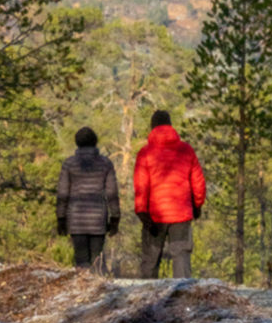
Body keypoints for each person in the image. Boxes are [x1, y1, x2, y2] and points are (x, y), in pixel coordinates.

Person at [133, 109, 206, 279]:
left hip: (154, 215)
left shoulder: (145, 153)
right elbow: (198, 182)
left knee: (150, 261)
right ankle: (182, 297)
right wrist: (197, 205)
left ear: (152, 127)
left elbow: (140, 186)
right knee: (181, 259)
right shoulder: (186, 150)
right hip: (181, 213)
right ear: (170, 126)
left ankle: (148, 298)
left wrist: (142, 212)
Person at [56, 126, 120, 270]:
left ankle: (84, 289)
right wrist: (115, 218)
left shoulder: (69, 163)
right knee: (96, 261)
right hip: (98, 219)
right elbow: (112, 193)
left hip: (76, 219)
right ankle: (99, 290)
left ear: (77, 142)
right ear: (95, 142)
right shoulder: (105, 163)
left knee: (81, 260)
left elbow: (63, 193)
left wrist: (61, 218)